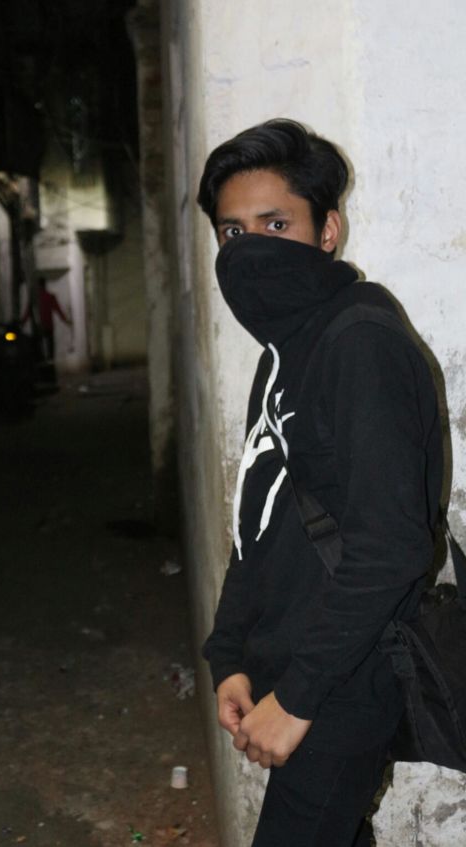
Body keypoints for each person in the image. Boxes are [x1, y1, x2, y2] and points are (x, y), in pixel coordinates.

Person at [198, 119, 443, 847]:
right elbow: (256, 527)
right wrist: (229, 658)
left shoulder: (359, 341)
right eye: (233, 232)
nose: (252, 249)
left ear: (327, 230)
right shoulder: (283, 351)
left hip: (345, 678)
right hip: (293, 670)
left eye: (276, 224)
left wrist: (298, 699)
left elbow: (391, 547)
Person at [24, 276, 71, 362]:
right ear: (45, 285)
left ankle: (40, 360)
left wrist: (23, 322)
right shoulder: (50, 297)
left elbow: (28, 312)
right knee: (50, 345)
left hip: (38, 327)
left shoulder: (34, 298)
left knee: (38, 345)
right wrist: (66, 320)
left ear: (38, 286)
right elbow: (58, 310)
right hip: (48, 325)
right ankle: (50, 360)